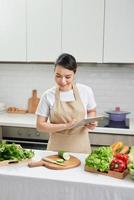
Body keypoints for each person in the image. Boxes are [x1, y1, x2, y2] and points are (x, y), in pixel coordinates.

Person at [36, 53, 97, 153]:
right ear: (54, 72)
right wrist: (66, 126)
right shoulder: (48, 95)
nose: (62, 81)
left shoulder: (86, 91)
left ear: (74, 73)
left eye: (67, 77)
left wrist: (91, 122)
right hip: (55, 151)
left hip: (81, 150)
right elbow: (40, 125)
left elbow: (92, 110)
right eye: (58, 76)